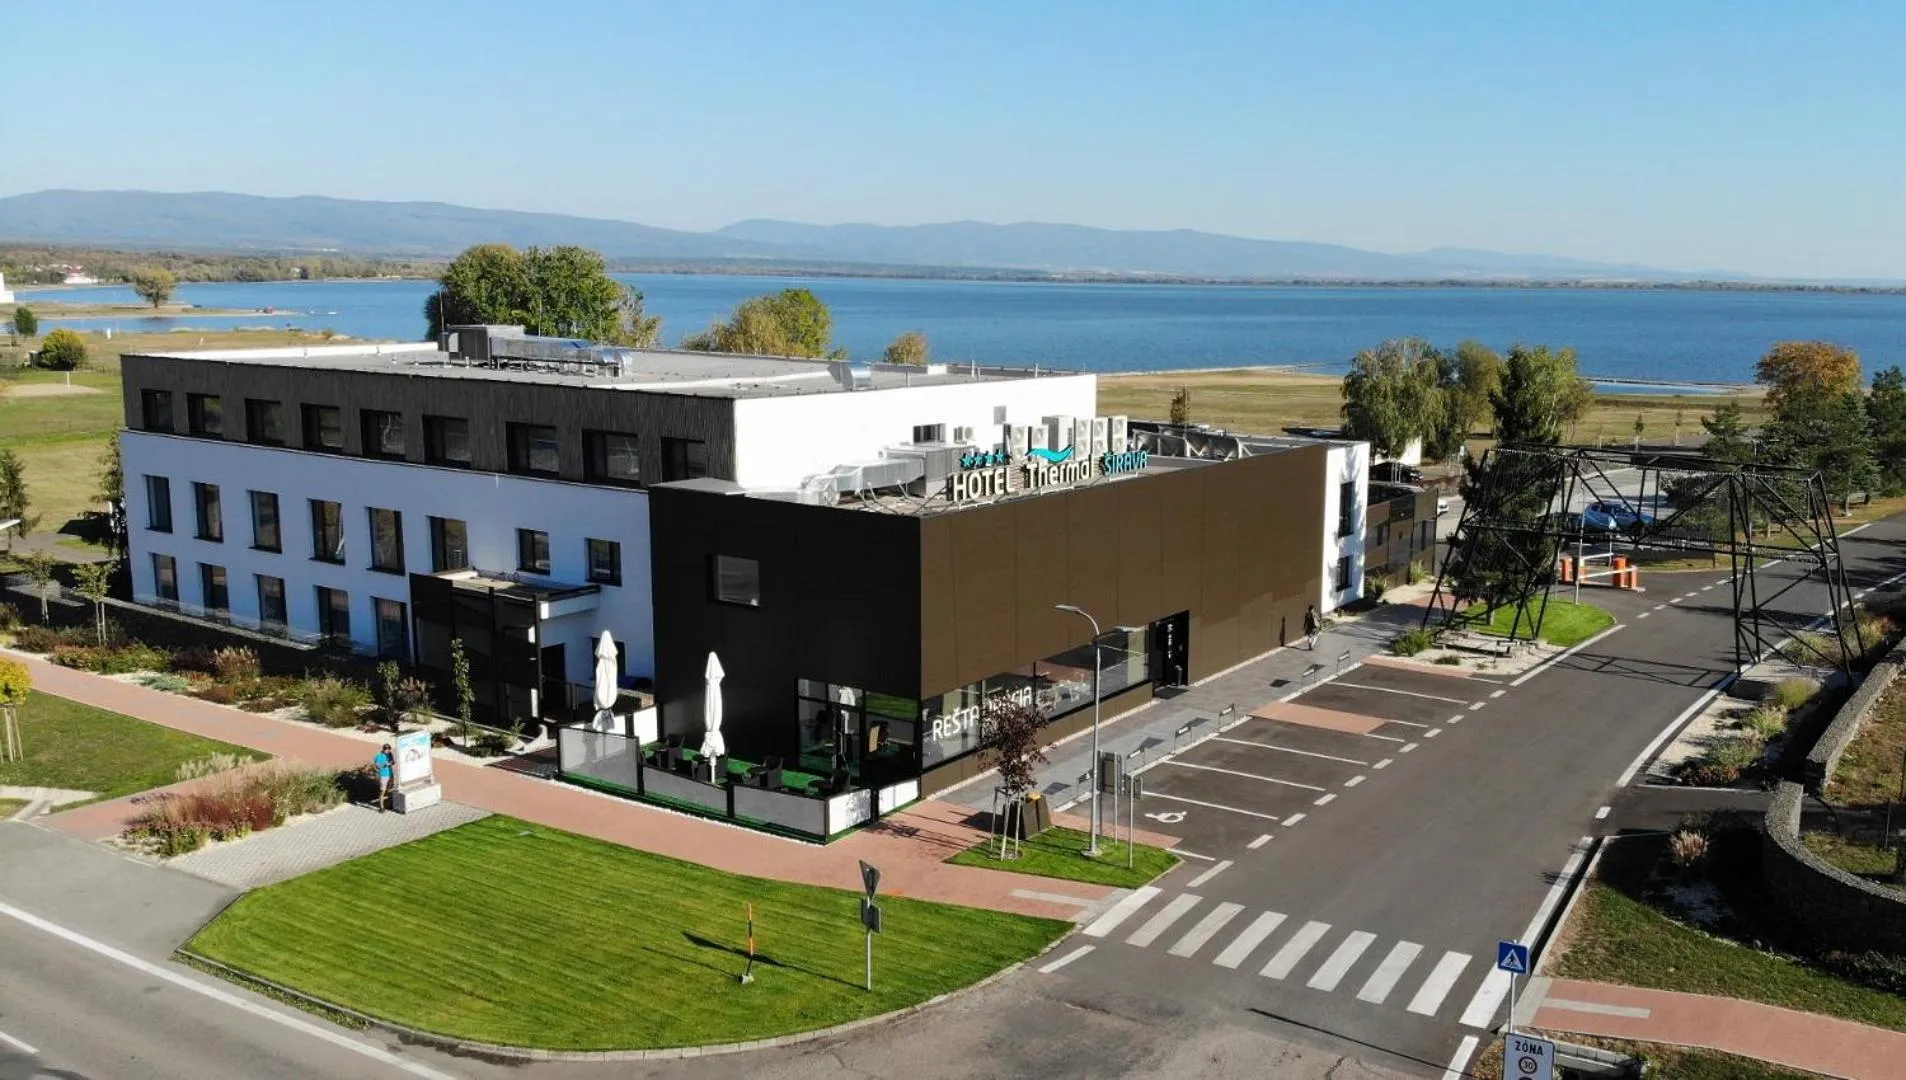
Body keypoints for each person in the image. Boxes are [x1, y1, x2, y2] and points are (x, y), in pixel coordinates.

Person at [374, 743, 394, 811]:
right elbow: (377, 766)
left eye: (388, 749)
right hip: (383, 775)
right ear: (383, 749)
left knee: (389, 789)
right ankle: (381, 807)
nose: (387, 750)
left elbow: (392, 762)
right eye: (386, 749)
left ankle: (388, 804)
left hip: (390, 774)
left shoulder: (390, 754)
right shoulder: (379, 756)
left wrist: (391, 763)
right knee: (382, 790)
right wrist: (384, 765)